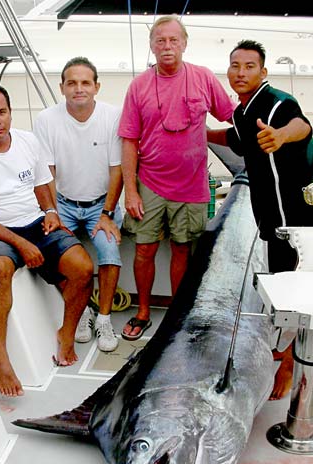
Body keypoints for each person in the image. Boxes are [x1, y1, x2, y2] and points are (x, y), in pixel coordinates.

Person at [0, 84, 94, 397]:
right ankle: (1, 358)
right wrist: (21, 244)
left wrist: (51, 211)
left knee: (82, 268)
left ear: (10, 112)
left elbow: (41, 183)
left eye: (2, 112)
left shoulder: (28, 141)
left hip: (35, 222)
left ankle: (66, 332)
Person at [118, 14, 236, 340]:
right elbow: (128, 140)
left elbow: (232, 115)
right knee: (144, 249)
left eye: (173, 40)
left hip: (192, 184)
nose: (167, 46)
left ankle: (176, 313)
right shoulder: (139, 85)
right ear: (152, 46)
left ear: (184, 43)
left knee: (182, 249)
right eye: (160, 41)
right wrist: (131, 191)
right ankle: (142, 311)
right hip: (150, 183)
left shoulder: (203, 78)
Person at [207, 40, 313, 400]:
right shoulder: (243, 111)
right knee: (279, 280)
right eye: (235, 66)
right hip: (268, 211)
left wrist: (281, 135)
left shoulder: (277, 104)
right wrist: (201, 134)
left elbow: (302, 126)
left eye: (249, 66)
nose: (241, 72)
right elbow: (238, 140)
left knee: (291, 286)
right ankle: (283, 346)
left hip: (293, 214)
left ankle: (286, 361)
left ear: (263, 72)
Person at [34, 57, 123, 353]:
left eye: (85, 83)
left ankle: (104, 318)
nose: (79, 89)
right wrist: (52, 213)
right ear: (62, 88)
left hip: (102, 204)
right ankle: (81, 311)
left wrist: (108, 214)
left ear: (97, 86)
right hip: (63, 203)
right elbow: (47, 171)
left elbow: (116, 170)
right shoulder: (47, 119)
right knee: (53, 251)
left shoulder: (112, 116)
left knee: (109, 250)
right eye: (71, 83)